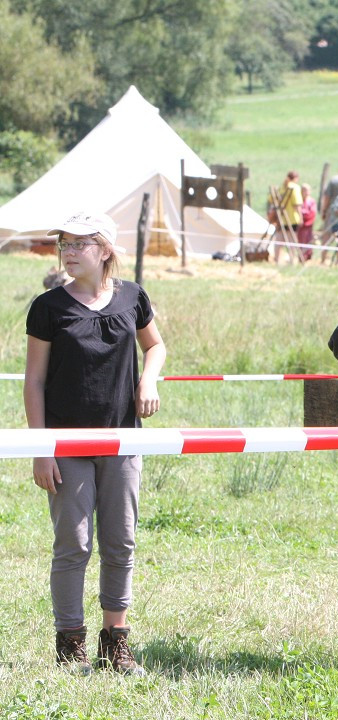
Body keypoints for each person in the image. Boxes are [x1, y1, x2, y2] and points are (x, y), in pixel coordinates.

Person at [25, 212, 166, 676]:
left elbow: (156, 345)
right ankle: (70, 648)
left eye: (78, 243)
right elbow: (34, 382)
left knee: (121, 542)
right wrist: (42, 449)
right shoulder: (47, 307)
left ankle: (116, 645)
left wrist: (148, 380)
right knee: (74, 543)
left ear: (104, 249)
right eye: (63, 242)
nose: (67, 250)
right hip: (66, 443)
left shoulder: (132, 297)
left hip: (122, 438)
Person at [273, 170, 302, 263]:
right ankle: (291, 260)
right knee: (291, 241)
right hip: (292, 218)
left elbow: (272, 199)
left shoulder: (281, 187)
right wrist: (301, 217)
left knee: (279, 239)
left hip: (281, 217)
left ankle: (277, 259)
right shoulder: (295, 188)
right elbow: (297, 204)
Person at [297, 183, 317, 262]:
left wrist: (304, 215)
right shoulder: (299, 201)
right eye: (304, 190)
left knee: (308, 239)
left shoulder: (311, 201)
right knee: (300, 240)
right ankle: (301, 256)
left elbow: (312, 212)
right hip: (300, 225)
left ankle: (307, 256)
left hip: (308, 224)